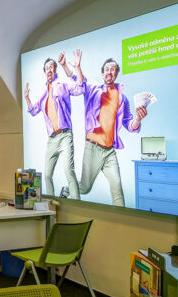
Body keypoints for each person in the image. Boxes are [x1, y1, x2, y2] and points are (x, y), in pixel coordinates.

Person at [72, 56, 147, 207]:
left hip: (109, 152)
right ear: (102, 74)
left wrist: (139, 119)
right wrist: (77, 67)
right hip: (92, 148)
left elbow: (130, 125)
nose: (109, 72)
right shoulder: (93, 90)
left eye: (113, 69)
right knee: (84, 188)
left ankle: (122, 220)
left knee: (117, 189)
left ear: (116, 73)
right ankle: (67, 191)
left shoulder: (122, 98)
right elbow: (81, 82)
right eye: (107, 69)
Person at [24, 51, 82, 199]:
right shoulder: (44, 92)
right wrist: (27, 98)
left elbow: (80, 88)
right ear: (44, 72)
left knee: (69, 170)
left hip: (65, 134)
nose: (49, 70)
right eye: (46, 68)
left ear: (55, 69)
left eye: (51, 67)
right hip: (52, 139)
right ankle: (50, 203)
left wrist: (72, 67)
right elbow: (33, 111)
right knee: (47, 174)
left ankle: (77, 203)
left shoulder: (62, 83)